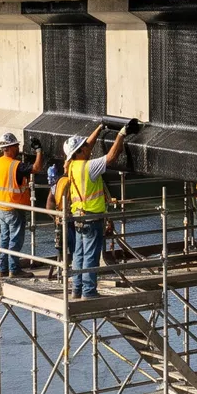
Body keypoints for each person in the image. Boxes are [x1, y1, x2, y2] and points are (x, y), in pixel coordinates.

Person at [59, 121, 131, 299]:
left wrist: (99, 128)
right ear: (80, 152)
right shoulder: (89, 167)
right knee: (91, 255)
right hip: (92, 217)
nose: (87, 147)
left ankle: (77, 289)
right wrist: (121, 134)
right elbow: (112, 156)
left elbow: (87, 145)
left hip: (78, 217)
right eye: (84, 146)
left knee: (79, 254)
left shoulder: (72, 166)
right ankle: (89, 292)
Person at [0, 133, 44, 276]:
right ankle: (14, 269)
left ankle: (3, 269)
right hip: (15, 207)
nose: (18, 148)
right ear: (10, 147)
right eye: (16, 146)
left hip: (1, 206)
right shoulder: (16, 166)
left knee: (5, 238)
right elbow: (36, 168)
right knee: (15, 239)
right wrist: (39, 151)